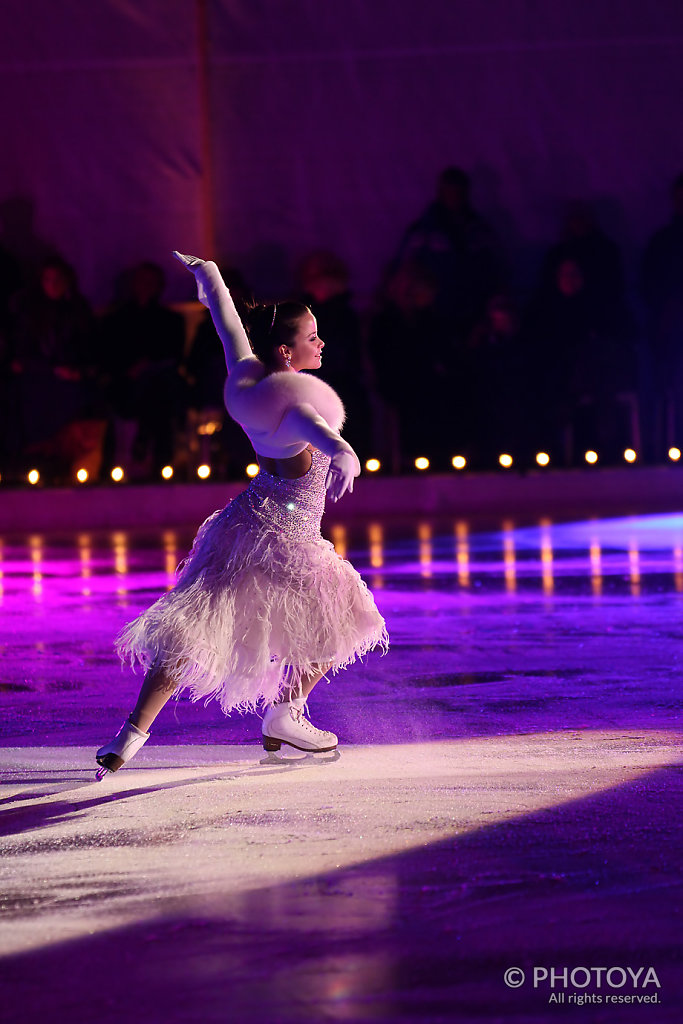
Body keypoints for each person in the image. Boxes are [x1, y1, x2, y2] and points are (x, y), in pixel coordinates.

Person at [95, 253, 388, 775]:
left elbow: (228, 325)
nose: (321, 343)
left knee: (197, 627)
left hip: (244, 526)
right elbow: (331, 440)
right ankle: (285, 712)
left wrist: (208, 276)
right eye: (312, 336)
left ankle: (130, 735)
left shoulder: (249, 378)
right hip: (290, 540)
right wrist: (346, 456)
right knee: (350, 617)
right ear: (287, 351)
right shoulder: (300, 408)